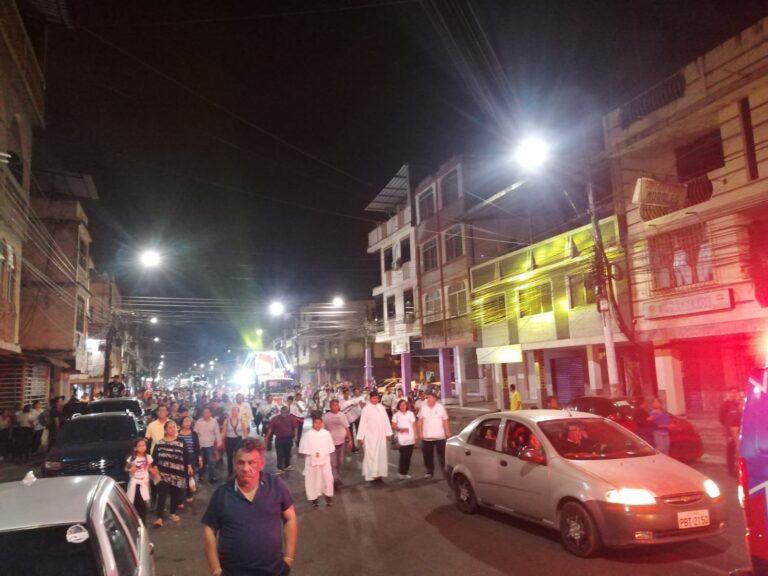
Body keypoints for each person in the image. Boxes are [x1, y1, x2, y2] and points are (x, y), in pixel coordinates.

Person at [202, 438, 297, 576]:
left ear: (261, 464)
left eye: (251, 462)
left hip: (274, 571)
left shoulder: (276, 485)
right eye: (241, 462)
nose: (246, 468)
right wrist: (216, 570)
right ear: (234, 464)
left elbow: (290, 518)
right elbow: (209, 530)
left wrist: (288, 558)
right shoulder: (222, 494)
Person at [150, 420, 193, 528]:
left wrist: (189, 466)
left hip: (177, 472)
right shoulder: (159, 443)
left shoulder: (181, 441)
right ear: (165, 429)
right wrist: (155, 468)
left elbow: (186, 456)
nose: (172, 429)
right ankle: (159, 517)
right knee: (162, 495)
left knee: (175, 494)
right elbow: (154, 458)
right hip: (163, 473)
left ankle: (172, 513)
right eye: (170, 427)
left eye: (174, 427)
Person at [299, 417, 336, 508]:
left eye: (320, 423)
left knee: (327, 479)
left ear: (322, 423)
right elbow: (304, 450)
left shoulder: (326, 434)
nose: (318, 425)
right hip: (311, 462)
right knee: (312, 480)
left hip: (325, 461)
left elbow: (330, 448)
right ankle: (314, 499)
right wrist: (312, 457)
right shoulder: (307, 435)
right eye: (316, 423)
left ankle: (328, 496)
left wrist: (322, 455)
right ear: (313, 424)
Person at [356, 391, 392, 482]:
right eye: (373, 398)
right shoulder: (366, 409)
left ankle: (379, 474)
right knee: (371, 455)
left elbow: (386, 421)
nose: (375, 400)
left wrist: (388, 433)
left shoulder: (381, 408)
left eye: (376, 398)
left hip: (381, 436)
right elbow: (362, 423)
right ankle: (372, 474)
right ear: (370, 398)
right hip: (370, 436)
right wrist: (360, 437)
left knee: (381, 455)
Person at [416, 392, 451, 479]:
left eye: (430, 398)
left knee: (443, 455)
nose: (429, 399)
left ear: (435, 399)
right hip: (427, 437)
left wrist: (447, 431)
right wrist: (419, 433)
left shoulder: (440, 407)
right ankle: (429, 471)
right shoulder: (423, 408)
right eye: (428, 398)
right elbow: (420, 421)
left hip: (440, 436)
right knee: (427, 455)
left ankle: (445, 471)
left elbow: (445, 420)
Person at [322, 399, 352, 486]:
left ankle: (337, 475)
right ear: (330, 406)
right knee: (333, 462)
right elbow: (322, 430)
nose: (335, 407)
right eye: (333, 405)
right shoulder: (326, 416)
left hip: (341, 442)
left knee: (340, 461)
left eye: (336, 405)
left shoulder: (342, 415)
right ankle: (334, 478)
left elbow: (347, 428)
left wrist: (350, 440)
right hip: (330, 443)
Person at [125, 438, 152, 524]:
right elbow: (126, 468)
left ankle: (142, 522)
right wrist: (130, 469)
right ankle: (136, 521)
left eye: (144, 445)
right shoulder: (132, 458)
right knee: (135, 502)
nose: (142, 447)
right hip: (135, 483)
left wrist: (154, 471)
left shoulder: (148, 457)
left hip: (144, 483)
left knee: (143, 503)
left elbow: (150, 468)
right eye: (140, 446)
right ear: (135, 448)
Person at [194, 406, 222, 484]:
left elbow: (217, 432)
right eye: (204, 412)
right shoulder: (199, 422)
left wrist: (219, 442)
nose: (206, 414)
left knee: (211, 462)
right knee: (202, 462)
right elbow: (195, 433)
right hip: (201, 445)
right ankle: (200, 476)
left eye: (207, 412)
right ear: (202, 413)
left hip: (210, 445)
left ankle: (212, 477)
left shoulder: (214, 421)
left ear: (210, 413)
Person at [266, 406, 296, 474]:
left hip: (289, 439)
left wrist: (295, 436)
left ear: (288, 412)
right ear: (280, 412)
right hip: (279, 439)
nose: (284, 414)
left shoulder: (291, 418)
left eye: (285, 412)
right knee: (280, 454)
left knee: (288, 454)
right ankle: (280, 468)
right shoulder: (275, 419)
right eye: (282, 412)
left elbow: (295, 427)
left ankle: (287, 466)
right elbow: (270, 429)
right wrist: (266, 438)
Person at [392, 399, 417, 479]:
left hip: (410, 438)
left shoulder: (410, 414)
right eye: (401, 405)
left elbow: (414, 425)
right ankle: (401, 472)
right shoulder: (396, 415)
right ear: (399, 406)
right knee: (403, 456)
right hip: (402, 438)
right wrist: (399, 429)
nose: (403, 406)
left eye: (404, 405)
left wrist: (415, 435)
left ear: (407, 405)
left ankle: (405, 472)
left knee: (408, 457)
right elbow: (393, 425)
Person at [178, 416, 202, 502]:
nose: (188, 423)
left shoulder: (194, 433)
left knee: (190, 475)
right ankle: (180, 497)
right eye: (185, 421)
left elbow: (197, 446)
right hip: (180, 457)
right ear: (181, 423)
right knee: (180, 476)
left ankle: (189, 494)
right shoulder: (177, 433)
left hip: (191, 457)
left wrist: (199, 458)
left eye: (189, 421)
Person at [719, 387, 742, 476]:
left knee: (739, 451)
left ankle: (739, 469)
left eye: (736, 392)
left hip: (739, 431)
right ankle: (731, 470)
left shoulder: (738, 404)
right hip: (731, 432)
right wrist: (728, 434)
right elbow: (722, 419)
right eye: (732, 392)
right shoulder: (725, 405)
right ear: (728, 393)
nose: (734, 394)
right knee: (731, 451)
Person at [223, 405, 249, 478]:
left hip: (238, 440)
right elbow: (224, 431)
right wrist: (220, 440)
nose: (235, 412)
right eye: (233, 410)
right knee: (229, 456)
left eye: (236, 410)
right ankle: (230, 471)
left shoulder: (241, 420)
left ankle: (238, 470)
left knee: (238, 456)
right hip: (229, 440)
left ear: (238, 412)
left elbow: (245, 431)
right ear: (231, 412)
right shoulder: (227, 420)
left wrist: (247, 440)